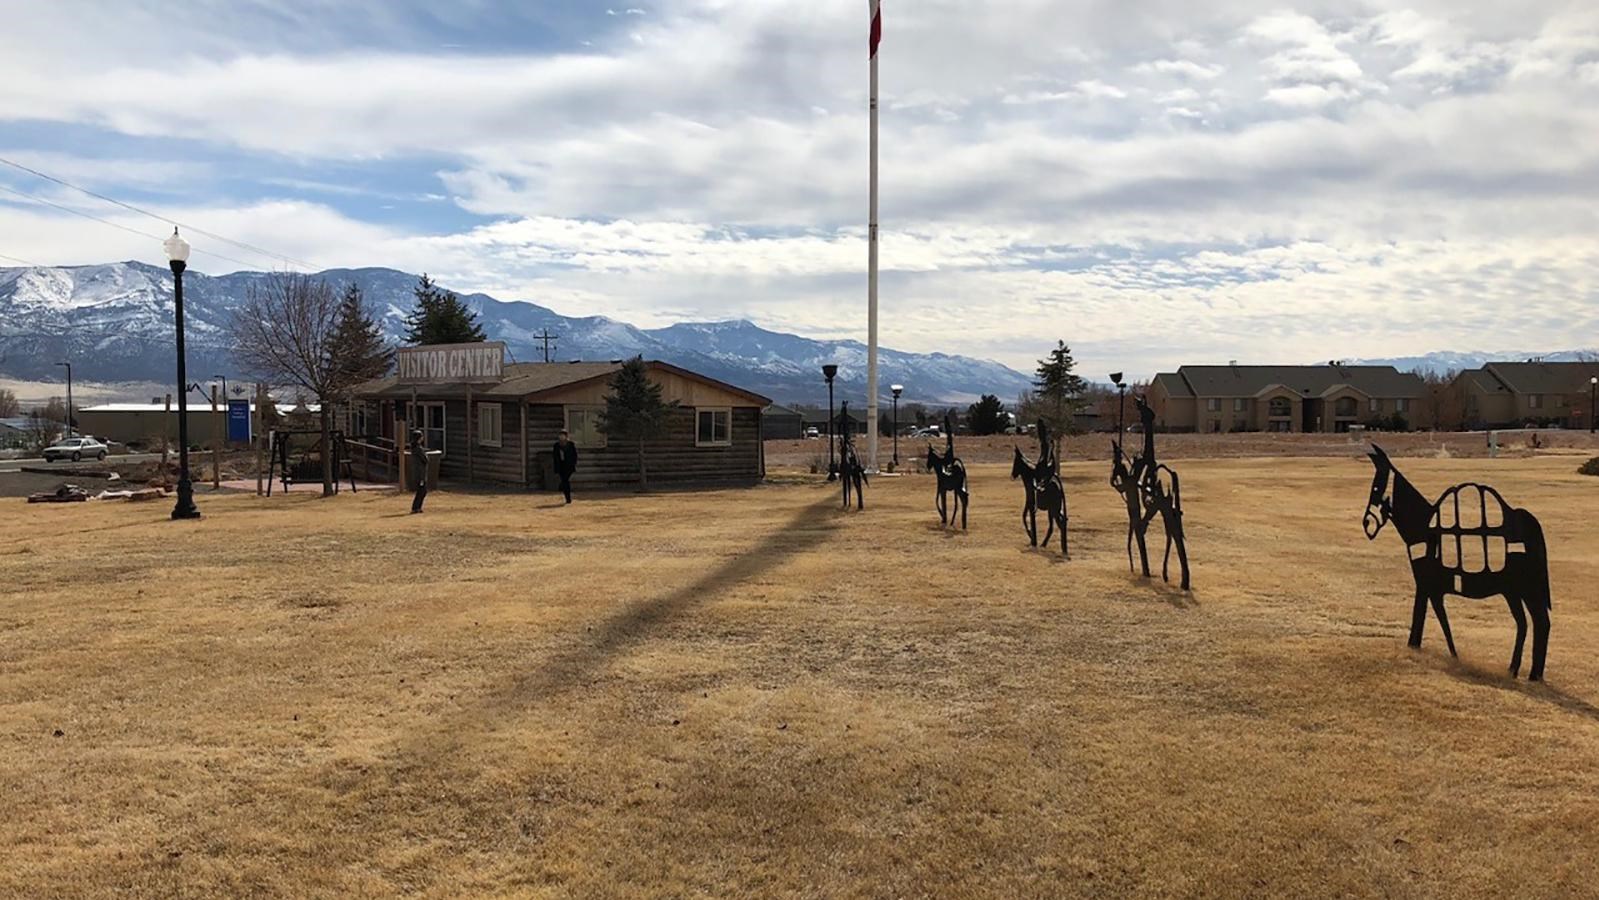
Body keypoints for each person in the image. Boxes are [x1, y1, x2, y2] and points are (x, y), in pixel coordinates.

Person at [552, 429, 578, 504]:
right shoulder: (556, 445)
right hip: (561, 466)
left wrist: (573, 463)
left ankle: (568, 497)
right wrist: (556, 468)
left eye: (563, 435)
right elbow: (555, 457)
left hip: (569, 466)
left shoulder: (570, 444)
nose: (561, 437)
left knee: (565, 480)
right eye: (560, 435)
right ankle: (567, 497)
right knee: (564, 481)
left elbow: (574, 455)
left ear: (566, 436)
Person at [409, 428, 428, 514]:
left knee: (422, 490)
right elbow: (425, 459)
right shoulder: (418, 448)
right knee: (422, 491)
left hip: (418, 472)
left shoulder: (415, 448)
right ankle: (416, 507)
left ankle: (417, 507)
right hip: (420, 473)